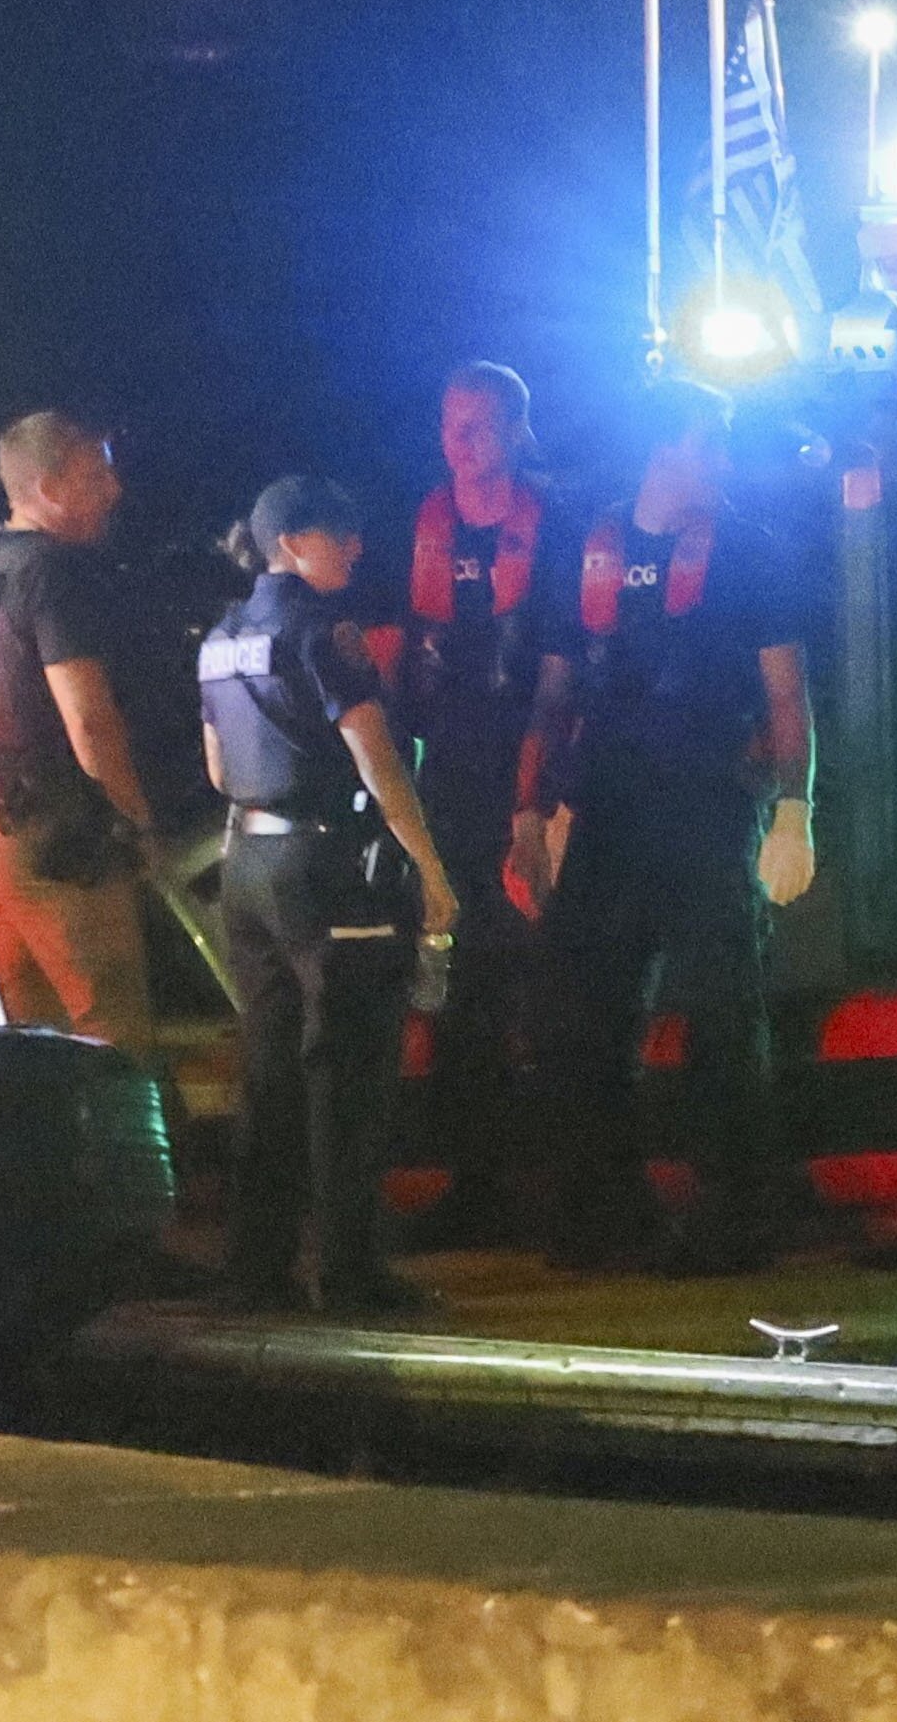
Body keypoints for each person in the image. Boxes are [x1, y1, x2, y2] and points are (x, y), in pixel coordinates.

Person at [505, 385, 819, 1270]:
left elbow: (786, 696)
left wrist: (794, 808)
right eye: (709, 441)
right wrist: (529, 811)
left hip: (709, 806)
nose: (722, 459)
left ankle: (736, 1216)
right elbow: (553, 695)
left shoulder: (751, 551)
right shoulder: (582, 548)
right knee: (584, 1017)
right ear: (662, 450)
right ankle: (600, 1211)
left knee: (725, 1013)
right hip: (604, 812)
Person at [199, 477, 463, 1315]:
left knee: (270, 1070)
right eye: (338, 535)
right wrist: (432, 871)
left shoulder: (220, 635)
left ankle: (256, 1269)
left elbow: (215, 768)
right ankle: (351, 1275)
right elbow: (377, 761)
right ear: (292, 542)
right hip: (325, 866)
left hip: (246, 863)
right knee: (347, 1070)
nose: (354, 548)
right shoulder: (321, 630)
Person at [368, 363, 554, 1243]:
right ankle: (472, 1181)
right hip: (448, 780)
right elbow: (388, 656)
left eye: (479, 422)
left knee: (547, 976)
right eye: (449, 422)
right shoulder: (421, 522)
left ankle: (563, 1178)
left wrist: (552, 795)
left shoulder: (557, 521)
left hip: (541, 778)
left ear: (518, 427)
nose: (460, 438)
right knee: (463, 984)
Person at [0, 411, 160, 1049]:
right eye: (97, 473)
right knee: (115, 1036)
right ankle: (137, 1155)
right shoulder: (55, 572)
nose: (115, 489)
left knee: (32, 1043)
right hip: (56, 836)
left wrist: (4, 738)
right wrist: (131, 818)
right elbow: (89, 719)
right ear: (49, 488)